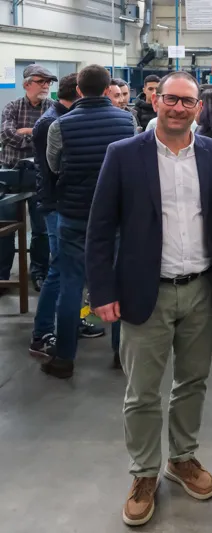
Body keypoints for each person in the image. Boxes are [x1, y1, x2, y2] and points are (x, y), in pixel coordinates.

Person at [86, 71, 212, 527]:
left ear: (198, 109)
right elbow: (101, 228)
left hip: (201, 290)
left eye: (188, 102)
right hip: (144, 291)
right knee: (143, 392)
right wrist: (102, 292)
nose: (179, 108)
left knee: (193, 382)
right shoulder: (125, 154)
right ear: (155, 101)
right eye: (171, 99)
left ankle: (182, 458)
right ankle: (144, 472)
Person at [43, 64, 137, 379]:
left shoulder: (61, 125)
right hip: (115, 217)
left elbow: (54, 167)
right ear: (108, 89)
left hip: (74, 214)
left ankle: (64, 358)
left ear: (79, 90)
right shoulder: (127, 121)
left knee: (70, 284)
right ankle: (120, 355)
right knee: (117, 282)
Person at [28, 73, 79, 361]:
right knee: (59, 268)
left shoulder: (63, 118)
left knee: (70, 268)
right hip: (55, 205)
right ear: (81, 93)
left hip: (62, 203)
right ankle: (42, 333)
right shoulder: (52, 122)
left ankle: (68, 322)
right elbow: (54, 170)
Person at [0, 64, 55, 293]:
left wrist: (26, 132)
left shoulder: (52, 107)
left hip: (40, 176)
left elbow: (53, 136)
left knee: (41, 229)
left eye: (48, 82)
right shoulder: (12, 107)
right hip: (11, 174)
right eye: (41, 81)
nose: (46, 86)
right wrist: (35, 136)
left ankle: (39, 273)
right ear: (26, 84)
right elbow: (5, 133)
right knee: (6, 228)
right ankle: (2, 275)